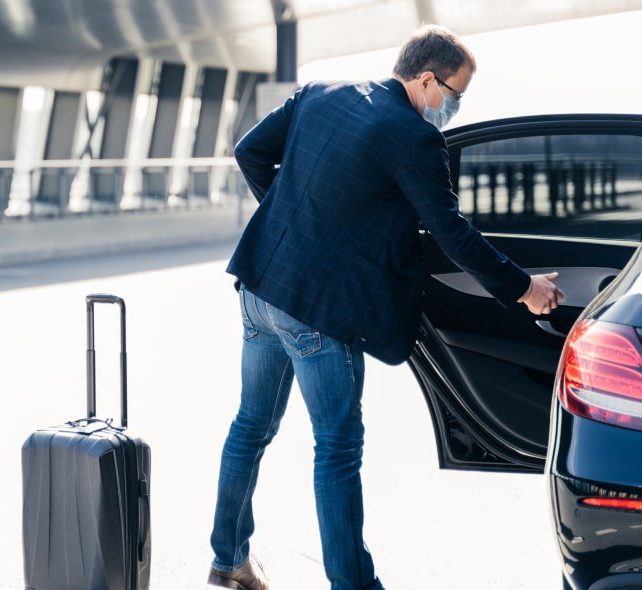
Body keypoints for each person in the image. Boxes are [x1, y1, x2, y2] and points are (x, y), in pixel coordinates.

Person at [206, 25, 563, 590]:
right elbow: (452, 233)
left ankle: (227, 563)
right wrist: (523, 288)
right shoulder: (413, 138)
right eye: (455, 94)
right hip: (318, 315)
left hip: (260, 288)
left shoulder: (320, 92)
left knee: (250, 426)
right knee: (337, 449)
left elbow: (249, 151)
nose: (454, 107)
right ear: (427, 80)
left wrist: (293, 225)